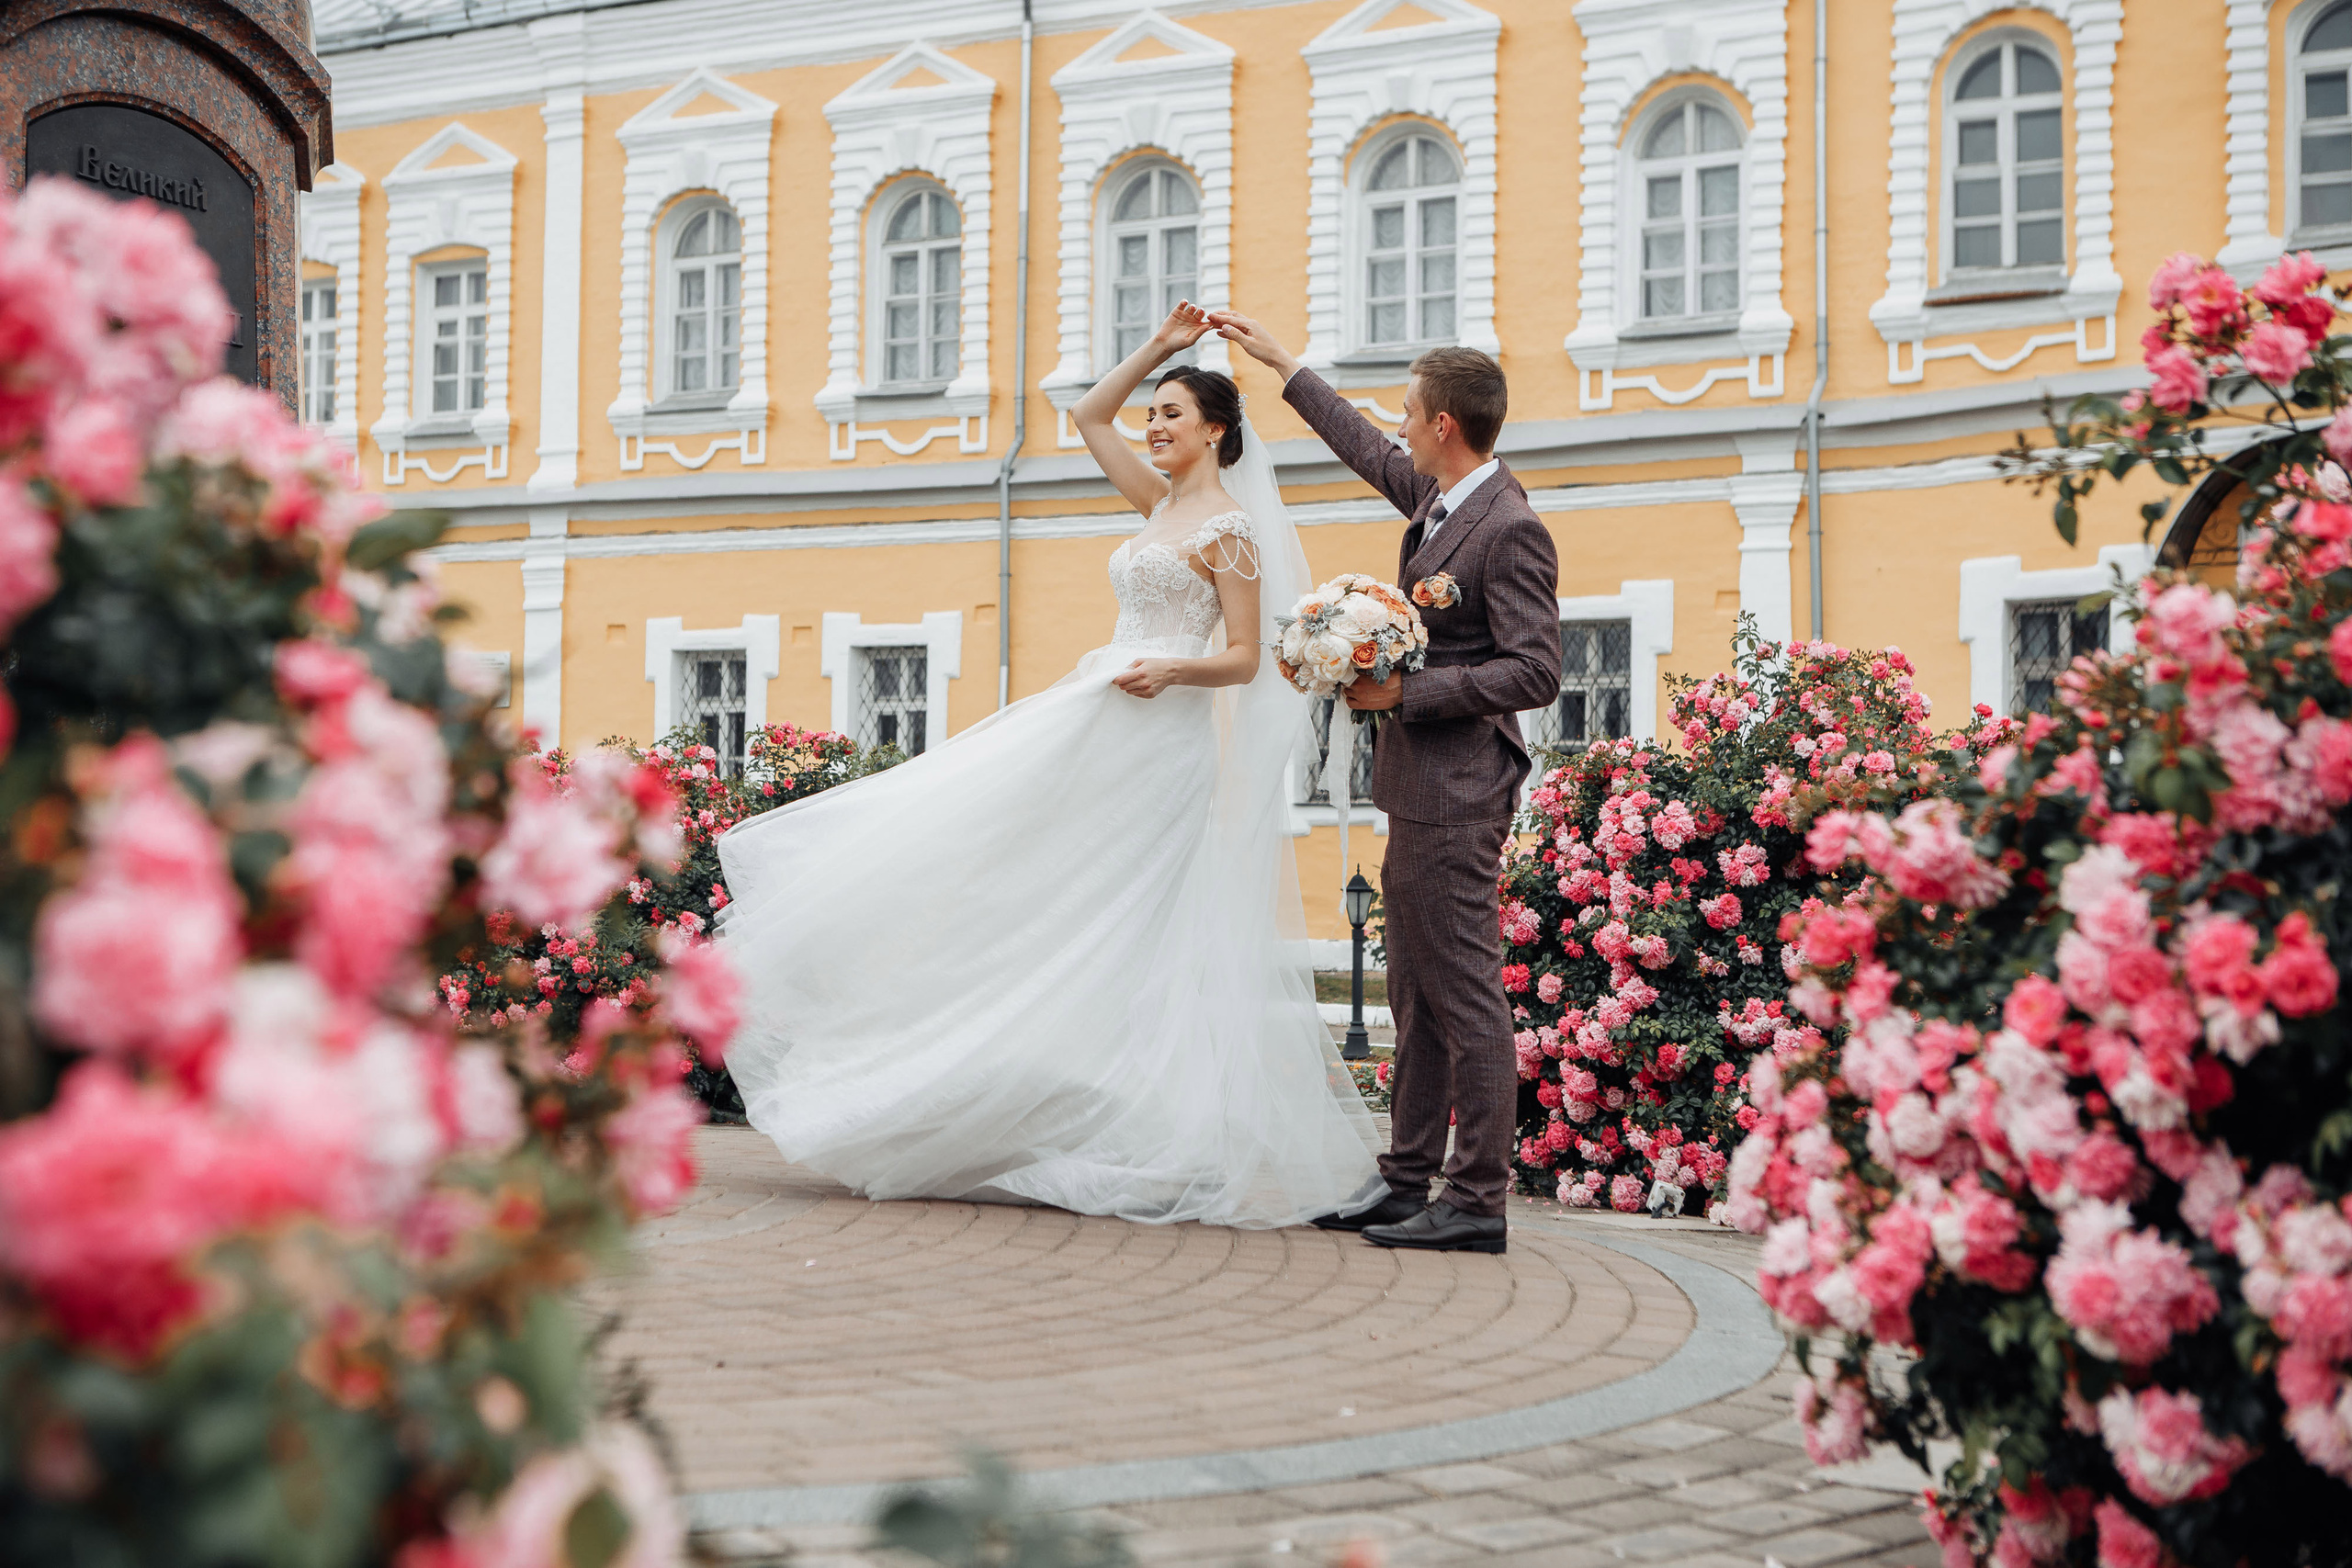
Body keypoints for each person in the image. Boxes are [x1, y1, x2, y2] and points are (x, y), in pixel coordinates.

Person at [713, 302, 1385, 1229]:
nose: (1153, 426)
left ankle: (1122, 1125)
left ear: (1217, 432)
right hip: (1101, 714)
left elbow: (1243, 656)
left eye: (1173, 415)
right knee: (1025, 879)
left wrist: (1169, 667)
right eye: (1155, 414)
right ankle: (981, 1093)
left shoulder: (1227, 530)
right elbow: (1087, 417)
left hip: (1160, 730)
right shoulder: (1157, 506)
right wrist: (1160, 347)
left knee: (1115, 916)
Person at [1210, 310, 1562, 1255]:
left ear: (1445, 425)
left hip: (1461, 787)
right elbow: (1363, 446)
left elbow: (1535, 671)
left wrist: (1409, 689)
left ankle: (1476, 1199)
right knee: (1412, 992)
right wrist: (1285, 367)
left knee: (1465, 996)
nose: (1398, 425)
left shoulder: (1507, 528)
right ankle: (1407, 1177)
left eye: (1410, 412)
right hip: (1419, 786)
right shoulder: (1440, 502)